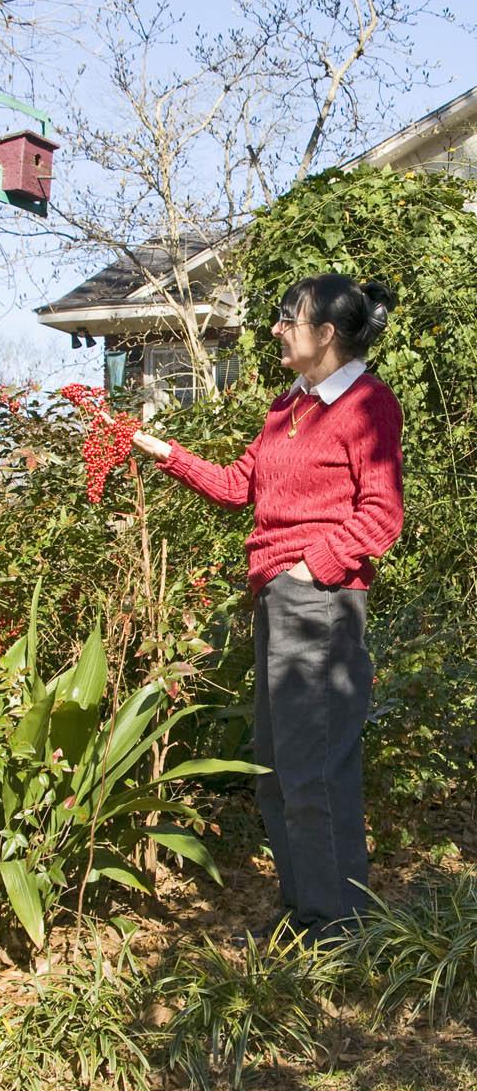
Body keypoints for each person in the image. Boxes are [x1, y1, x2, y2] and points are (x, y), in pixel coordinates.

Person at [130, 275, 403, 945]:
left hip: (323, 600)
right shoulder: (289, 407)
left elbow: (383, 514)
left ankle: (341, 930)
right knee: (278, 774)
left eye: (289, 320)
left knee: (316, 772)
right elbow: (236, 487)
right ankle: (307, 911)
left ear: (326, 334)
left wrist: (313, 568)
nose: (278, 330)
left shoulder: (368, 404)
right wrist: (161, 451)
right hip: (279, 596)